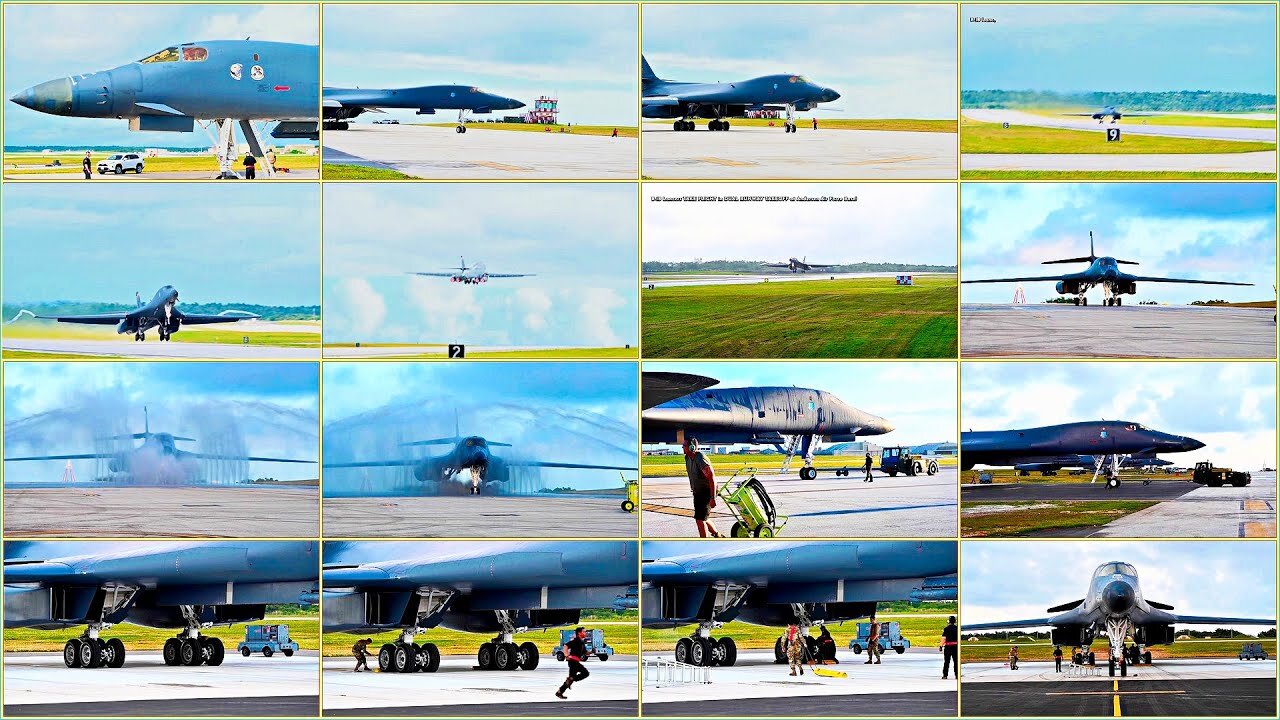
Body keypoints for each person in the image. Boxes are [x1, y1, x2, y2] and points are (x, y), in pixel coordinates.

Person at [684, 438, 722, 538]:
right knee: (702, 517)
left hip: (707, 491)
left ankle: (704, 542)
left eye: (684, 446)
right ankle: (717, 535)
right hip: (698, 492)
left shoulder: (700, 457)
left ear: (692, 447)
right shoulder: (687, 458)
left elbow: (711, 477)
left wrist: (713, 498)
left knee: (700, 519)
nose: (682, 447)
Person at [556, 627, 591, 699]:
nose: (585, 633)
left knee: (570, 681)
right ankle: (571, 679)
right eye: (584, 632)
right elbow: (566, 646)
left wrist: (592, 651)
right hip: (573, 661)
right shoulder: (576, 641)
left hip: (575, 661)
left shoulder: (581, 642)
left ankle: (559, 692)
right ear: (579, 633)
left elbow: (585, 653)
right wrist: (566, 655)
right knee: (585, 673)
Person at [941, 615, 958, 679]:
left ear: (949, 621)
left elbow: (944, 638)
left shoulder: (946, 629)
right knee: (956, 661)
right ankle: (957, 675)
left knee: (947, 661)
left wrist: (941, 646)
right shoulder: (957, 628)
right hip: (955, 647)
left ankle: (945, 675)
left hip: (948, 647)